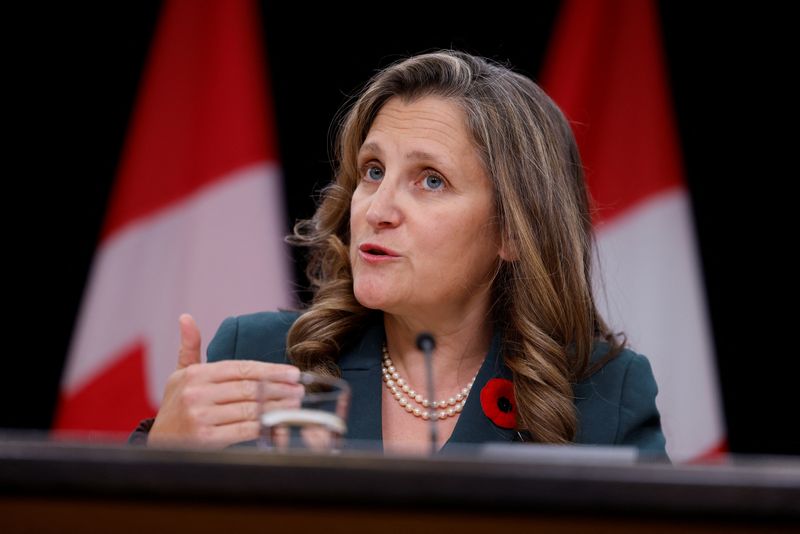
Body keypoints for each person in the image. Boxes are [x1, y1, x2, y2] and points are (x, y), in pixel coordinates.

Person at [131, 50, 666, 456]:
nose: (378, 208)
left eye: (430, 181)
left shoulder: (606, 396)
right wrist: (159, 461)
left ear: (512, 233)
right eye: (373, 171)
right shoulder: (261, 359)